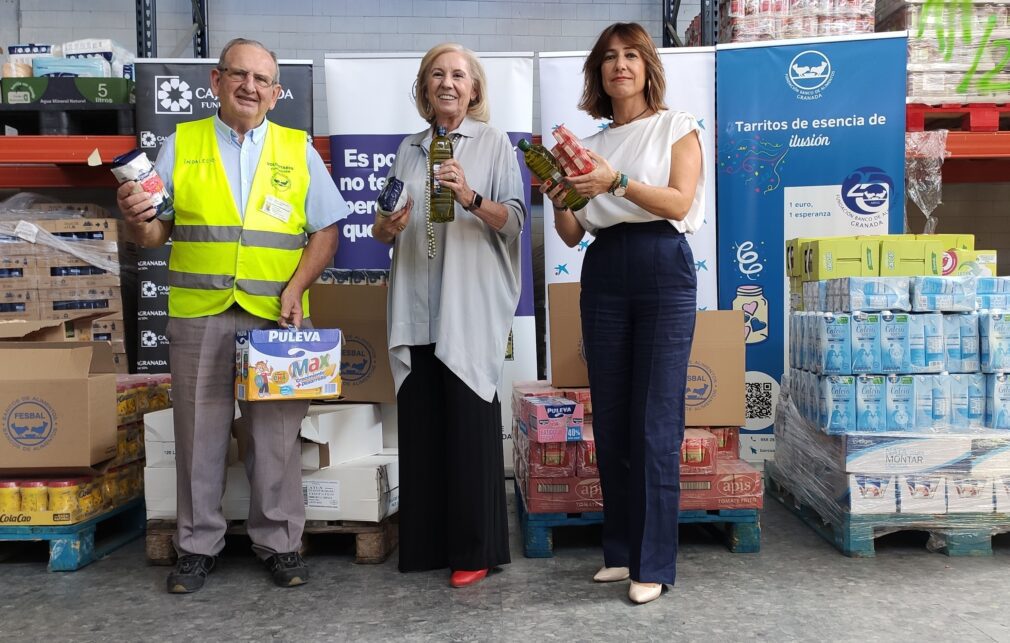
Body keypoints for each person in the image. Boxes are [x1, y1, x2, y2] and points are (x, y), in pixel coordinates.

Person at [117, 38, 349, 593]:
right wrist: (134, 219)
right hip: (201, 313)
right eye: (238, 75)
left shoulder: (299, 149)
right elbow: (155, 231)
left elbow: (327, 232)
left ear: (275, 93)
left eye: (262, 79)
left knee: (276, 436)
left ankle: (282, 544)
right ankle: (196, 548)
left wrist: (295, 289)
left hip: (276, 317)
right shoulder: (183, 143)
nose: (250, 86)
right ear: (216, 82)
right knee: (199, 435)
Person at [546, 22, 704, 605]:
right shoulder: (592, 144)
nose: (620, 65)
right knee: (611, 421)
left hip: (662, 263)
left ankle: (655, 564)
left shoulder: (677, 125)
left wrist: (620, 181)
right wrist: (560, 194)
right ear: (598, 73)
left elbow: (680, 201)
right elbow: (572, 233)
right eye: (609, 57)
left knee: (655, 423)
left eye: (631, 55)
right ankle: (620, 551)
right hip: (605, 268)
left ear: (647, 67)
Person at [372, 43, 525, 588]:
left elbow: (514, 221)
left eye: (458, 75)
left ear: (474, 88)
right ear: (423, 87)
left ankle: (473, 549)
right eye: (436, 74)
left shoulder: (494, 143)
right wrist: (385, 227)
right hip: (416, 302)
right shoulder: (409, 149)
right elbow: (382, 228)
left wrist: (471, 196)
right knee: (422, 424)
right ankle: (428, 543)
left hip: (468, 305)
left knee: (466, 427)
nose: (447, 83)